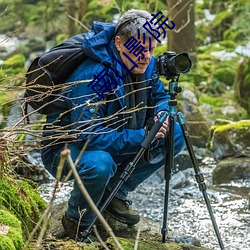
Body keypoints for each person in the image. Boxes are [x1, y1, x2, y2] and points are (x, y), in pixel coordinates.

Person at [41, 9, 185, 241]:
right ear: (119, 43)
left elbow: (159, 96)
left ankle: (115, 193)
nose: (147, 56)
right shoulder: (94, 77)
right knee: (100, 164)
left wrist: (161, 114)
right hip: (67, 150)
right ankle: (76, 221)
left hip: (117, 136)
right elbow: (87, 135)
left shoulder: (144, 63)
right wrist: (142, 136)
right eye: (140, 48)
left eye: (152, 49)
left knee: (175, 132)